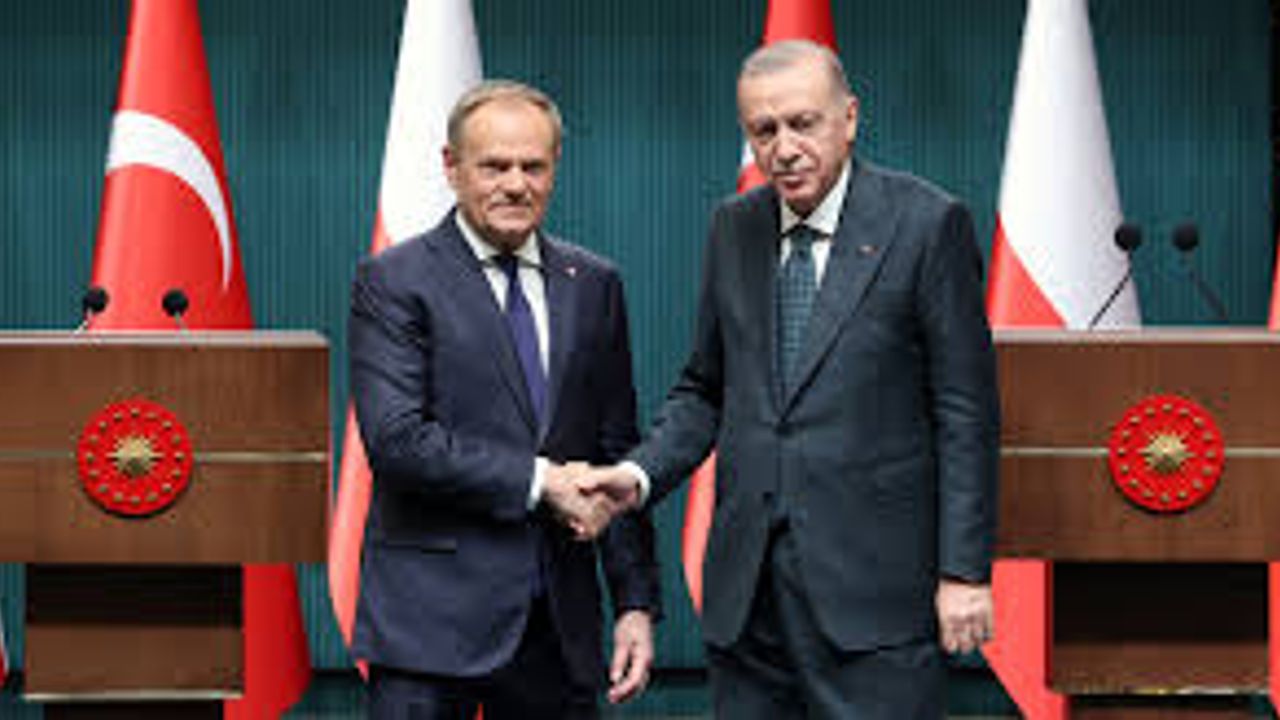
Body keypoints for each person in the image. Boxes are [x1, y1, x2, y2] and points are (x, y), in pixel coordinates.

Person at [581, 40, 999, 718]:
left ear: (849, 118)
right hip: (748, 599)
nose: (784, 148)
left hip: (874, 598)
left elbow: (965, 411)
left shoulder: (926, 224)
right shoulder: (733, 226)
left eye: (803, 123)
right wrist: (638, 476)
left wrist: (964, 571)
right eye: (764, 130)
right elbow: (705, 389)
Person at [348, 79, 660, 720]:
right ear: (452, 167)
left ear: (554, 168)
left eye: (533, 166)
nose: (516, 184)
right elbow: (398, 441)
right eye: (494, 166)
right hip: (429, 629)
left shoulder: (594, 284)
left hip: (558, 629)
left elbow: (616, 451)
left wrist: (634, 603)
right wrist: (543, 481)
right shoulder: (395, 281)